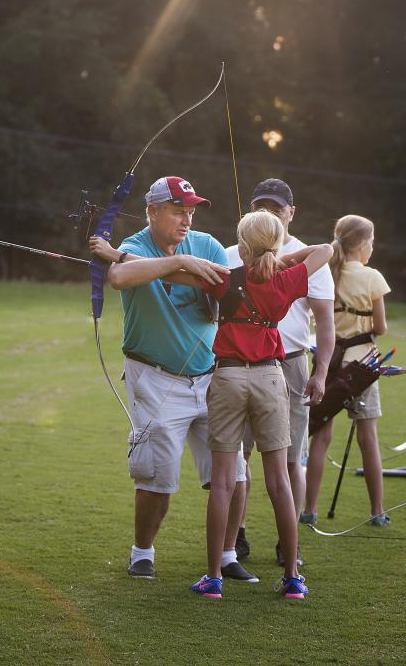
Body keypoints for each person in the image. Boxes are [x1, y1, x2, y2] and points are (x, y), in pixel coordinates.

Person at [89, 176, 251, 582]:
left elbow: (228, 288)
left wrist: (189, 267)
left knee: (235, 475)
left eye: (191, 211)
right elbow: (121, 277)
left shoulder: (208, 244)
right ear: (153, 211)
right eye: (178, 210)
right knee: (157, 474)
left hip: (212, 377)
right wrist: (179, 263)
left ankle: (228, 555)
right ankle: (142, 552)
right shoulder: (133, 249)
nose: (187, 219)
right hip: (155, 378)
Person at [187, 210, 333, 599]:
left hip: (229, 376)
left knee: (222, 482)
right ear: (280, 242)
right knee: (279, 481)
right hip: (271, 377)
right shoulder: (287, 281)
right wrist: (283, 258)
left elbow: (177, 274)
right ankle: (291, 579)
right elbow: (325, 249)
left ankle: (214, 578)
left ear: (243, 247)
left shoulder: (226, 278)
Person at [226, 178, 335, 564]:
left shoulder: (305, 261)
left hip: (289, 364)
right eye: (261, 207)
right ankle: (234, 539)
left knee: (291, 460)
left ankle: (287, 547)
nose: (269, 214)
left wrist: (320, 373)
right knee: (239, 459)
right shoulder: (232, 254)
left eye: (276, 208)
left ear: (291, 212)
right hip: (238, 365)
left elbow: (324, 322)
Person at [302, 213, 391, 525]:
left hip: (328, 364)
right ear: (364, 244)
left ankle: (309, 509)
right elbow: (380, 327)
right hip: (362, 367)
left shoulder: (326, 272)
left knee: (320, 435)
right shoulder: (372, 277)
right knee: (368, 438)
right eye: (372, 242)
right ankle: (377, 511)